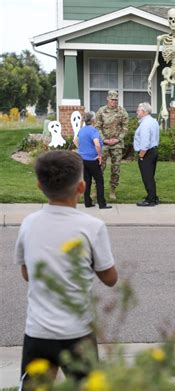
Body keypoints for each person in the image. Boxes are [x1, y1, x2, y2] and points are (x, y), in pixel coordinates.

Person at [14, 151, 118, 388]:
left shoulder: (29, 223)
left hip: (38, 331)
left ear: (39, 185)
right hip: (79, 332)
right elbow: (111, 278)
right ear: (81, 187)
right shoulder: (92, 227)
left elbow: (27, 274)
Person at [95, 90, 129, 201]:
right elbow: (97, 127)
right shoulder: (101, 111)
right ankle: (96, 190)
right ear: (107, 99)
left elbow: (125, 127)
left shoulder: (122, 111)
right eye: (112, 99)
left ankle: (113, 190)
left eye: (115, 100)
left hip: (117, 144)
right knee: (100, 167)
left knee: (116, 168)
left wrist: (117, 139)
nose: (114, 102)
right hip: (104, 144)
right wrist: (104, 140)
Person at [76, 111, 111, 209]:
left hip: (83, 160)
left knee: (87, 181)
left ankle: (87, 202)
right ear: (93, 120)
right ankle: (102, 204)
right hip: (92, 160)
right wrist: (99, 155)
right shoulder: (93, 131)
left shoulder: (82, 130)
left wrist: (82, 149)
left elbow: (76, 141)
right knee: (99, 181)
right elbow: (97, 144)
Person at [134, 102, 160, 207]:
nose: (137, 112)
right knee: (150, 176)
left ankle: (150, 200)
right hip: (153, 151)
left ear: (144, 112)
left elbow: (145, 142)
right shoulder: (153, 121)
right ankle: (153, 196)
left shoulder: (145, 124)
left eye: (138, 110)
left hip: (147, 153)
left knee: (147, 177)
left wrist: (141, 155)